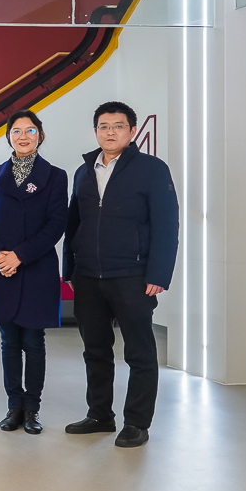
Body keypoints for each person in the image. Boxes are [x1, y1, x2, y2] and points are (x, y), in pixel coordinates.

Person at [63, 101, 178, 449]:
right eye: (103, 126)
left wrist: (158, 273)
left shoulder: (152, 169)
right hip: (88, 277)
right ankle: (100, 415)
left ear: (132, 131)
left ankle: (137, 422)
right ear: (95, 131)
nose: (110, 132)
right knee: (95, 350)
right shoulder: (84, 171)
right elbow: (74, 223)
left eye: (118, 126)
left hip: (133, 275)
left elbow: (167, 224)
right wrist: (70, 269)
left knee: (139, 352)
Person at [0, 110, 68, 435]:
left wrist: (20, 256)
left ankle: (32, 408)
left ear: (40, 135)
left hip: (36, 270)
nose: (23, 136)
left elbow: (56, 224)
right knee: (9, 342)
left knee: (34, 342)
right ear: (8, 137)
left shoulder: (55, 176)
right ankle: (14, 405)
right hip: (0, 270)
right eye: (16, 131)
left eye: (30, 130)